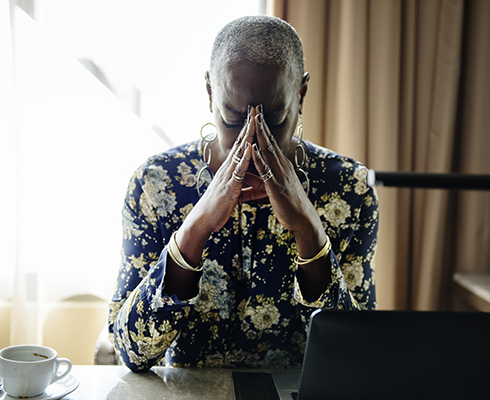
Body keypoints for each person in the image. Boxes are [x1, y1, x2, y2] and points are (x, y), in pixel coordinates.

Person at [108, 15, 378, 372]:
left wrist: (309, 230)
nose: (251, 141)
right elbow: (131, 352)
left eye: (275, 120)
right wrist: (194, 230)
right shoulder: (156, 184)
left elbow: (359, 356)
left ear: (301, 94)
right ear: (209, 93)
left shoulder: (349, 188)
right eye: (233, 118)